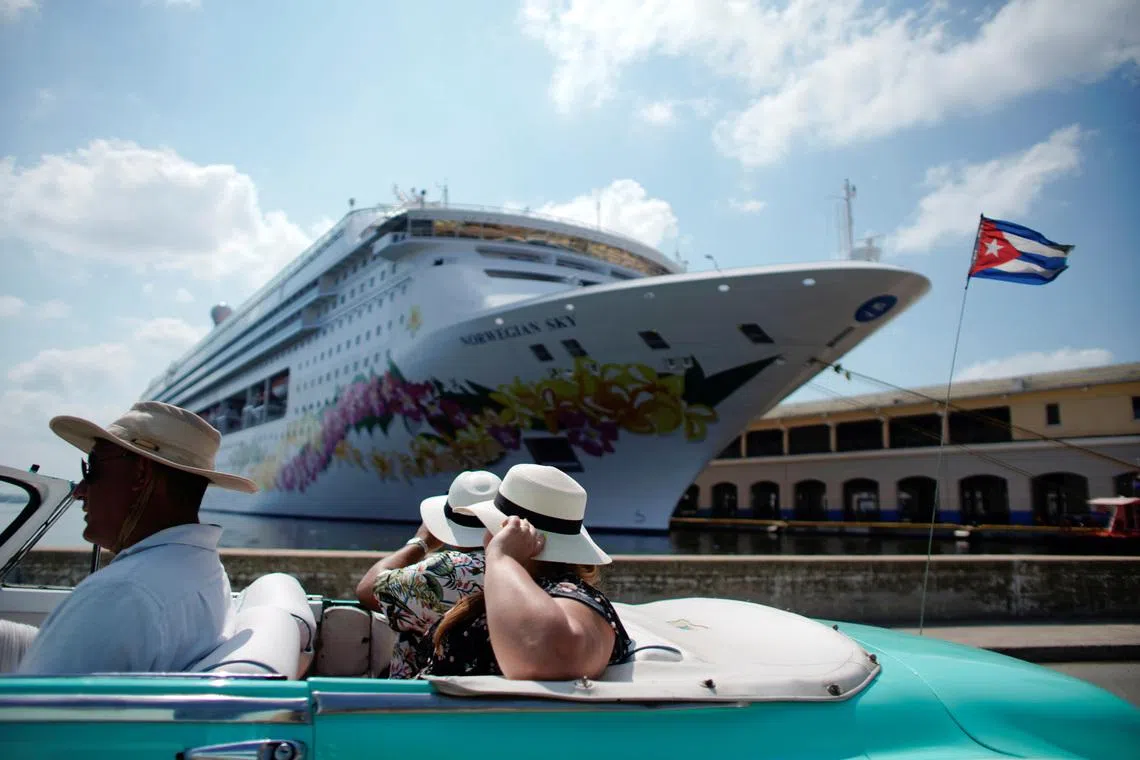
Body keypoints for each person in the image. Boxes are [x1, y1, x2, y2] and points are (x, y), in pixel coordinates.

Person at [15, 401, 257, 675]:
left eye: (91, 470)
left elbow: (28, 714)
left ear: (141, 475)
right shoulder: (202, 570)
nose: (79, 491)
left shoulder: (120, 595)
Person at [420, 464, 631, 681]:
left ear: (504, 533)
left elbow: (552, 658)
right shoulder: (554, 589)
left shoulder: (569, 593)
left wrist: (502, 557)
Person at [356, 470, 499, 678]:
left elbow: (368, 589)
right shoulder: (522, 565)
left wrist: (420, 542)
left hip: (426, 695)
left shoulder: (448, 570)